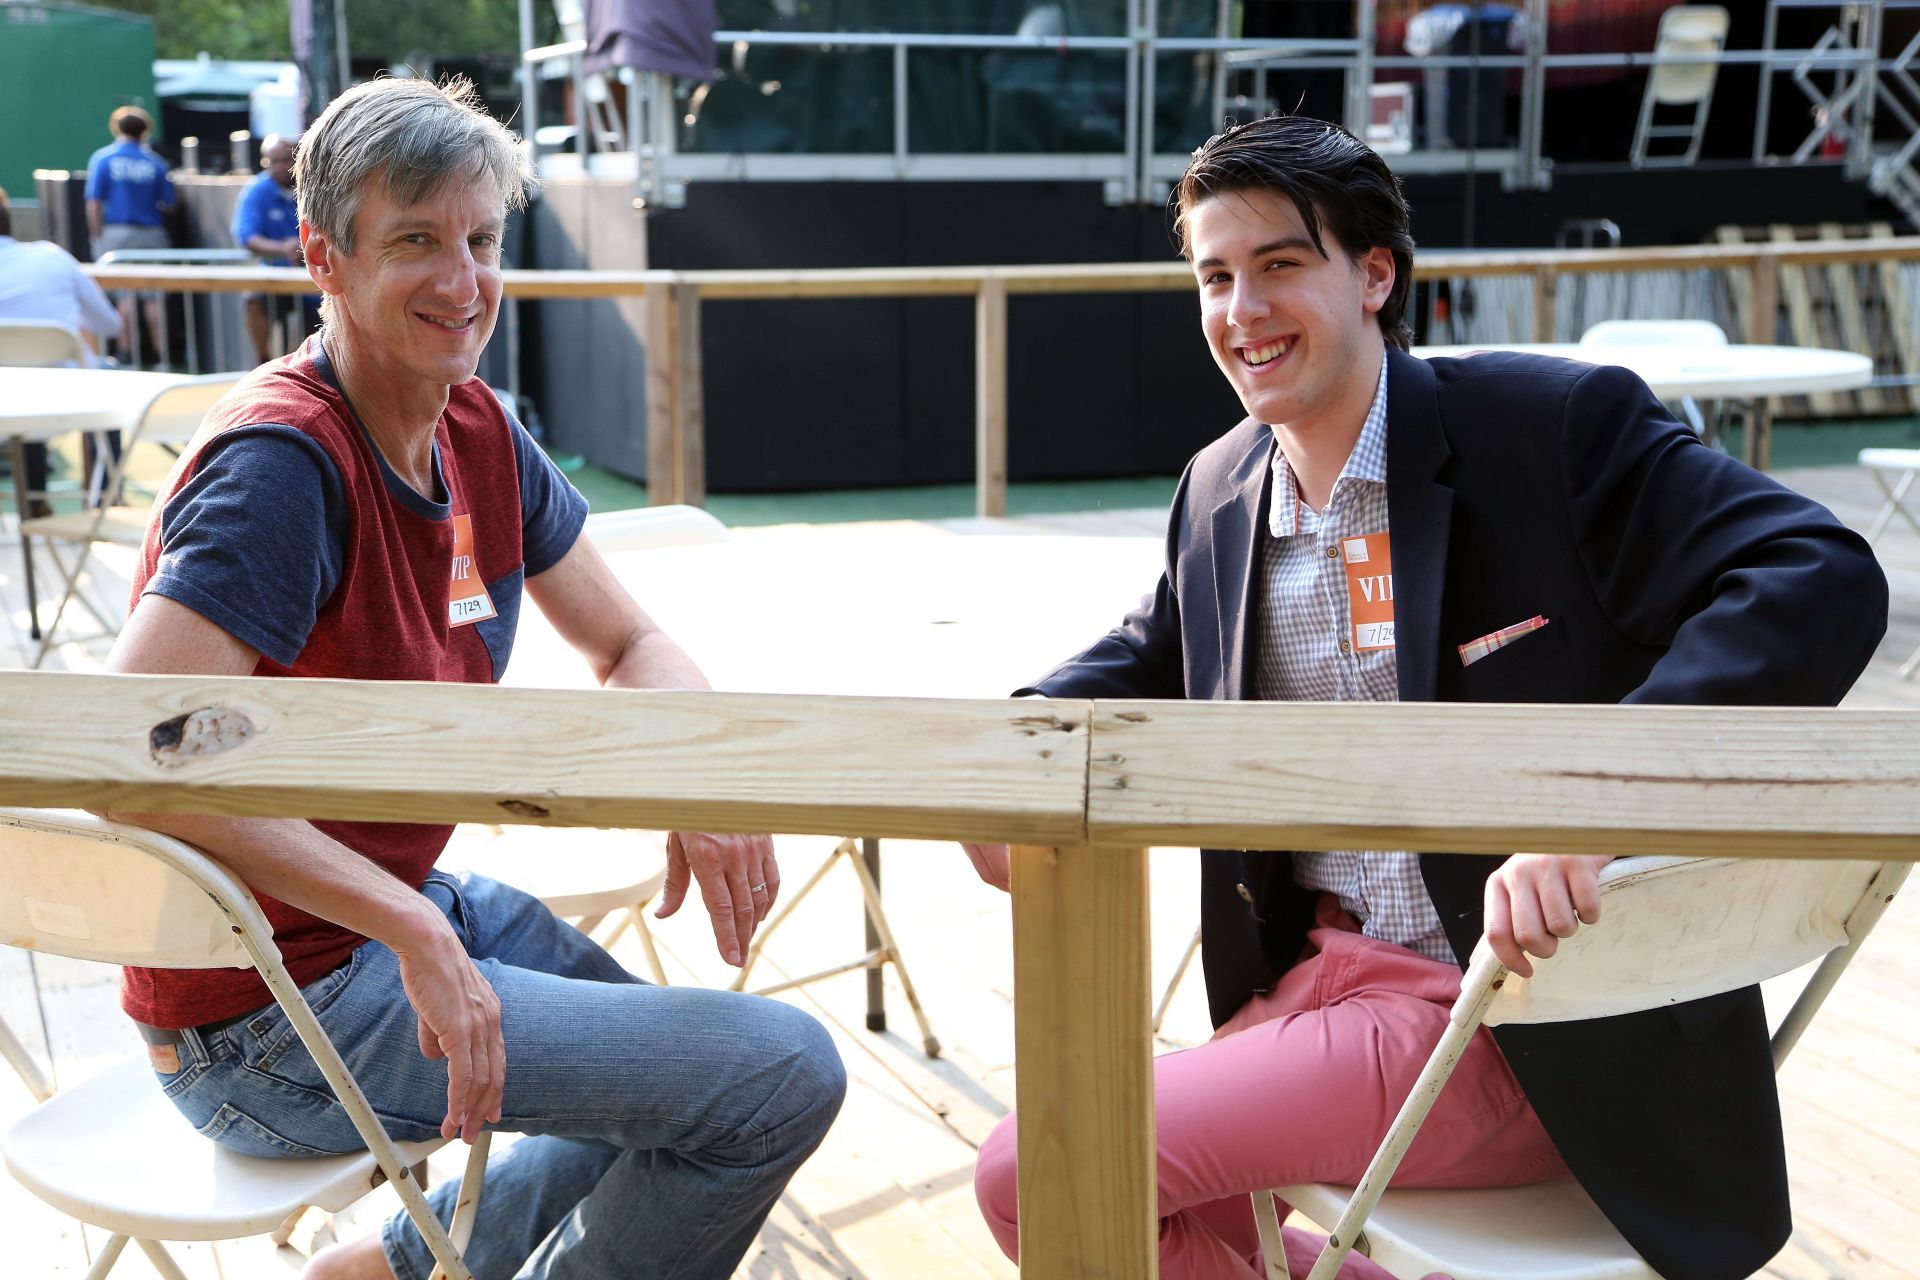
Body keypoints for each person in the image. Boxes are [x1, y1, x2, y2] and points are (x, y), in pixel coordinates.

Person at [962, 115, 1887, 1280]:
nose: (1243, 308)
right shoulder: (1221, 482)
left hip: (1521, 1011)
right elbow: (1155, 645)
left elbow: (1816, 572)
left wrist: (1597, 805)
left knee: (1038, 1170)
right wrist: (1017, 745)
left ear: (1375, 274)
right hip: (1316, 979)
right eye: (1216, 276)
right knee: (1122, 1194)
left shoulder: (1550, 429)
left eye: (1280, 264)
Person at [102, 76, 845, 1280]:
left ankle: (391, 1264)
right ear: (324, 257)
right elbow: (128, 751)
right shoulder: (281, 467)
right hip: (262, 1019)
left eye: (483, 239)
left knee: (694, 1071)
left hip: (380, 917)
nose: (464, 281)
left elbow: (631, 643)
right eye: (415, 241)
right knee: (778, 1072)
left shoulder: (476, 426)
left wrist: (697, 774)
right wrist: (404, 920)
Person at [0, 185, 120, 511]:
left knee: (22, 391)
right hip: (68, 397)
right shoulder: (52, 257)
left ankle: (34, 503)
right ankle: (107, 501)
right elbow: (110, 324)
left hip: (8, 405)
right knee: (108, 374)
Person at [84, 104, 175, 363]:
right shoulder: (156, 163)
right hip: (152, 234)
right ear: (145, 131)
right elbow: (169, 204)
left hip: (117, 235)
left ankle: (125, 355)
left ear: (116, 128)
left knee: (124, 298)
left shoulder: (103, 158)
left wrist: (97, 237)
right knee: (153, 298)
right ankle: (162, 356)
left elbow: (94, 203)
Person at [231, 133, 313, 364]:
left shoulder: (312, 185)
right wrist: (283, 248)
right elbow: (246, 236)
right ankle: (263, 359)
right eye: (273, 161)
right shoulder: (257, 190)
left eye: (285, 160)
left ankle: (305, 366)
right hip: (273, 273)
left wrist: (304, 247)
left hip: (312, 276)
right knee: (253, 298)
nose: (280, 166)